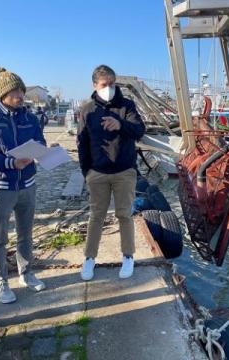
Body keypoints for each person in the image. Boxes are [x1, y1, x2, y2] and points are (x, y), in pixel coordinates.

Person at [0, 67, 47, 304]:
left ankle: (26, 273)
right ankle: (0, 282)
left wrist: (43, 151)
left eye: (22, 91)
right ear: (3, 94)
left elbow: (40, 141)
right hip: (2, 187)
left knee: (26, 233)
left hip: (28, 184)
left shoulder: (30, 117)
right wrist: (10, 162)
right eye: (15, 92)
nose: (20, 96)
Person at [77, 64, 145, 281]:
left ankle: (128, 256)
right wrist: (86, 172)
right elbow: (82, 143)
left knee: (124, 214)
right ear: (95, 85)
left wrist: (120, 124)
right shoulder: (87, 110)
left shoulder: (127, 105)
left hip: (124, 171)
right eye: (105, 85)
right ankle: (89, 258)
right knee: (96, 216)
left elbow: (139, 130)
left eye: (112, 84)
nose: (109, 88)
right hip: (97, 173)